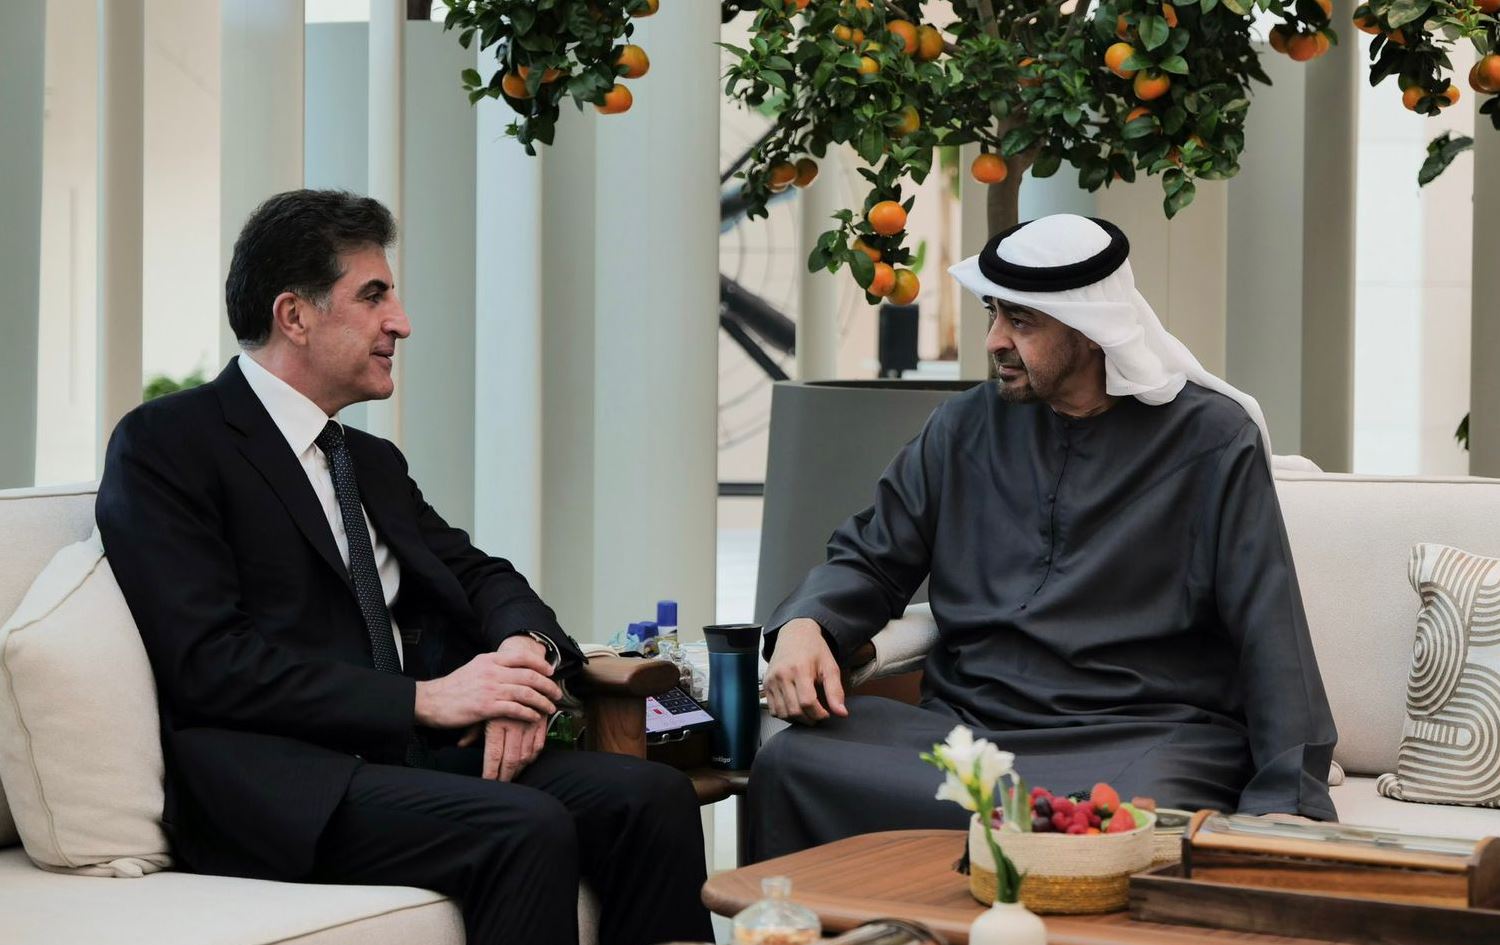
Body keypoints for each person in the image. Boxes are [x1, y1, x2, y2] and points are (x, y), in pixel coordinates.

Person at [96, 189, 714, 945]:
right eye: (374, 296)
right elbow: (209, 662)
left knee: (654, 797)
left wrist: (524, 659)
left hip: (408, 761)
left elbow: (482, 574)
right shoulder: (168, 443)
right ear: (295, 315)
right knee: (525, 825)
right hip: (283, 783)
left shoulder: (369, 461)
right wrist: (426, 699)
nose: (402, 321)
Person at [748, 214, 1338, 862]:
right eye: (993, 314)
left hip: (1143, 734)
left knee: (1125, 820)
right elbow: (870, 557)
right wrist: (807, 623)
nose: (995, 340)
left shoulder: (1212, 441)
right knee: (794, 763)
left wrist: (1286, 799)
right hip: (971, 727)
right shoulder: (962, 428)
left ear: (1090, 330)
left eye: (1021, 321)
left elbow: (1270, 630)